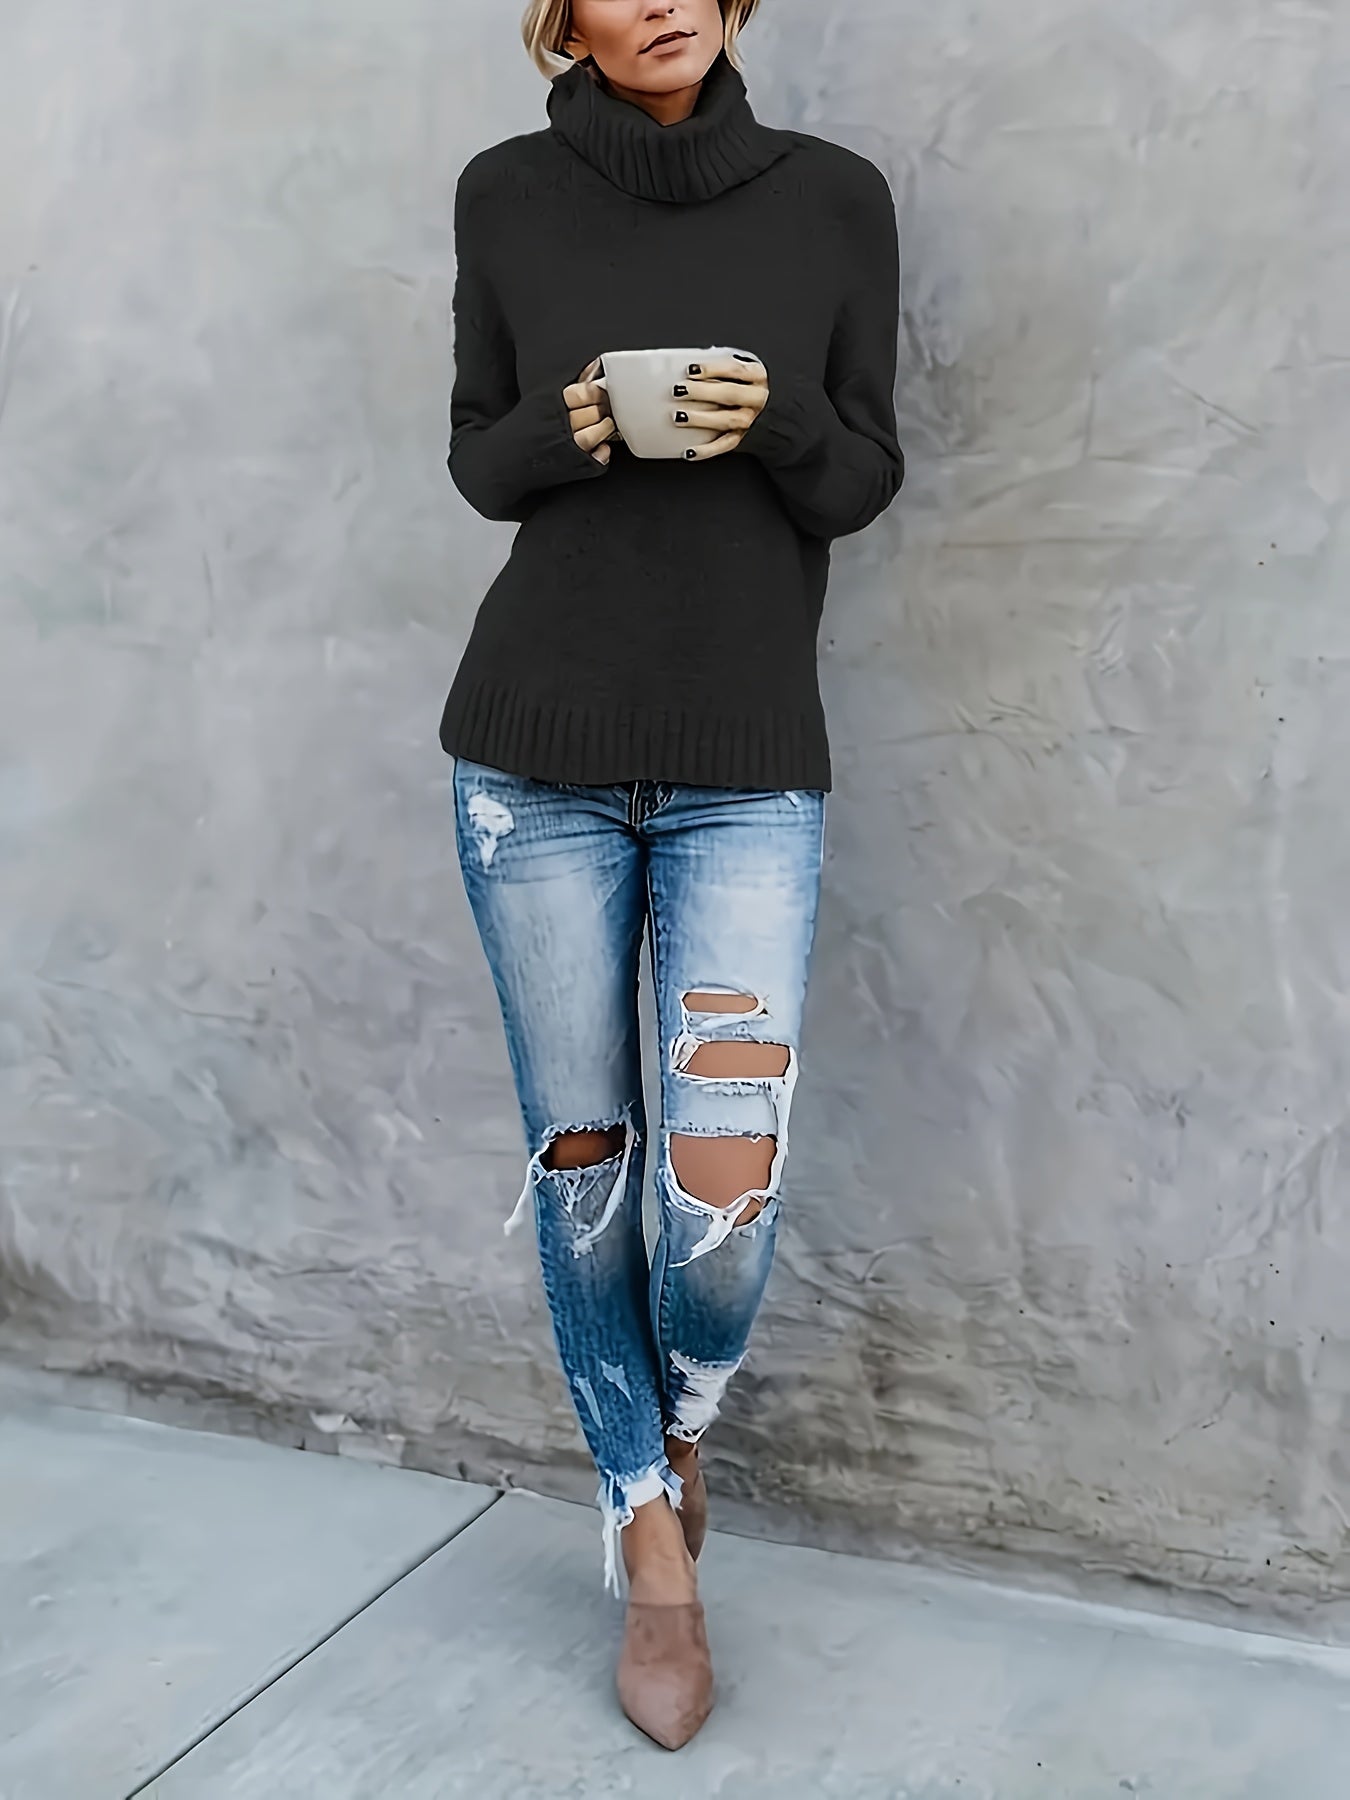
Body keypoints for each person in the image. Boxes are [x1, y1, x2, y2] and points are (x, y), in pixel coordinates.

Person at [441, 0, 903, 1751]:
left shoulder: (833, 197)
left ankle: (675, 1422)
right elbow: (477, 459)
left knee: (723, 1198)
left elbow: (860, 478)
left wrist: (774, 422)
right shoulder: (504, 191)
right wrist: (570, 426)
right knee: (584, 1170)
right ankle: (646, 1533)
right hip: (529, 762)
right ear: (558, 13)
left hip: (742, 771)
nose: (660, 1)